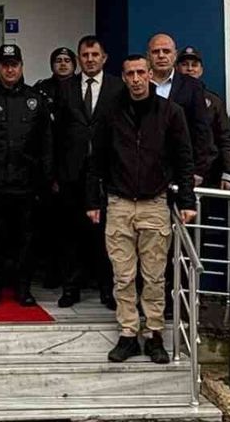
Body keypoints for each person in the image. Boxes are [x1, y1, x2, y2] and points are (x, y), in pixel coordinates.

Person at [86, 56, 196, 365]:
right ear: (123, 77)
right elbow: (96, 161)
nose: (135, 79)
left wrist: (187, 202)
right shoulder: (110, 113)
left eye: (140, 73)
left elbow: (184, 160)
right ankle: (128, 333)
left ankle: (154, 334)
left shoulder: (170, 112)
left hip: (154, 203)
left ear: (150, 74)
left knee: (154, 276)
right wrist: (93, 201)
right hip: (119, 203)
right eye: (129, 74)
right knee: (123, 275)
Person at [0, 44, 53, 308]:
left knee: (25, 239)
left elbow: (46, 143)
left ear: (21, 66)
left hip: (26, 185)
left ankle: (23, 288)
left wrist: (45, 180)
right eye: (5, 65)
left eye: (14, 65)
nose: (10, 69)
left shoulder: (36, 100)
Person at [52, 35, 122, 310]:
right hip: (71, 173)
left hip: (107, 174)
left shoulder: (118, 87)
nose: (90, 59)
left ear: (104, 58)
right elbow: (57, 133)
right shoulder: (66, 87)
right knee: (70, 233)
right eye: (85, 55)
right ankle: (71, 288)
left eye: (94, 55)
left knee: (106, 235)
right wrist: (55, 173)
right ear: (79, 58)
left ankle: (107, 289)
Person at [32, 46, 76, 289]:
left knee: (73, 227)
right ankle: (51, 272)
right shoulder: (41, 89)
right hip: (46, 168)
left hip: (74, 169)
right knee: (48, 226)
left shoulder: (81, 88)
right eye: (58, 60)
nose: (62, 64)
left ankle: (76, 275)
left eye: (67, 60)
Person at [147, 33, 215, 185]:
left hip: (181, 168)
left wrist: (198, 170)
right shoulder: (140, 84)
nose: (161, 56)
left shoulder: (193, 86)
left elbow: (201, 131)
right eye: (156, 52)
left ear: (175, 55)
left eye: (166, 51)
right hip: (145, 168)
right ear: (148, 56)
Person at [175, 46, 230, 190]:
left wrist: (229, 171)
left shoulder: (214, 101)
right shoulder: (171, 98)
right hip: (177, 169)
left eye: (194, 65)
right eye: (185, 65)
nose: (190, 69)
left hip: (209, 171)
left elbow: (225, 138)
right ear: (177, 69)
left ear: (201, 70)